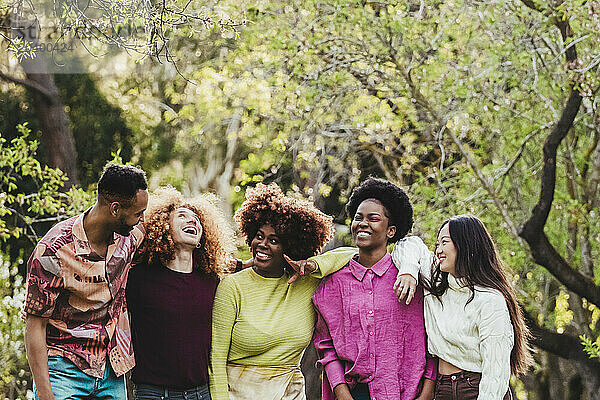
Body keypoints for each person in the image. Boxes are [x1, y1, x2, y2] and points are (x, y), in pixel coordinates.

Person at [24, 163, 148, 400]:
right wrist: (46, 394)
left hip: (111, 368)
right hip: (63, 368)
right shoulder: (54, 251)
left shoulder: (131, 237)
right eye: (137, 214)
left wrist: (237, 265)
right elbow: (35, 326)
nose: (141, 220)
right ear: (115, 209)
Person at [310, 177, 436, 400]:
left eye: (373, 218)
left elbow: (432, 338)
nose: (363, 223)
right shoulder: (333, 283)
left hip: (406, 393)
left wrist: (427, 391)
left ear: (390, 231)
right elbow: (325, 345)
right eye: (358, 217)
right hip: (354, 393)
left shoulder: (411, 279)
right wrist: (341, 392)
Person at [209, 183, 336, 400]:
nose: (262, 244)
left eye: (274, 240)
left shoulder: (306, 284)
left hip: (290, 393)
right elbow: (215, 360)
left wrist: (312, 265)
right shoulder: (233, 286)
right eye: (259, 236)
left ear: (291, 247)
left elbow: (351, 254)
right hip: (237, 393)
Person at [392, 215, 533, 400]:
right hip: (442, 388)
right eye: (437, 244)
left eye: (445, 242)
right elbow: (407, 245)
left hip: (476, 389)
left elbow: (495, 372)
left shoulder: (490, 300)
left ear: (466, 244)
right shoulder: (437, 281)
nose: (438, 250)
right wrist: (409, 271)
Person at [126, 187, 236, 400]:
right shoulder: (139, 277)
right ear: (163, 226)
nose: (192, 221)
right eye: (182, 216)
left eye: (196, 219)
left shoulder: (212, 281)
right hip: (154, 393)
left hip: (201, 393)